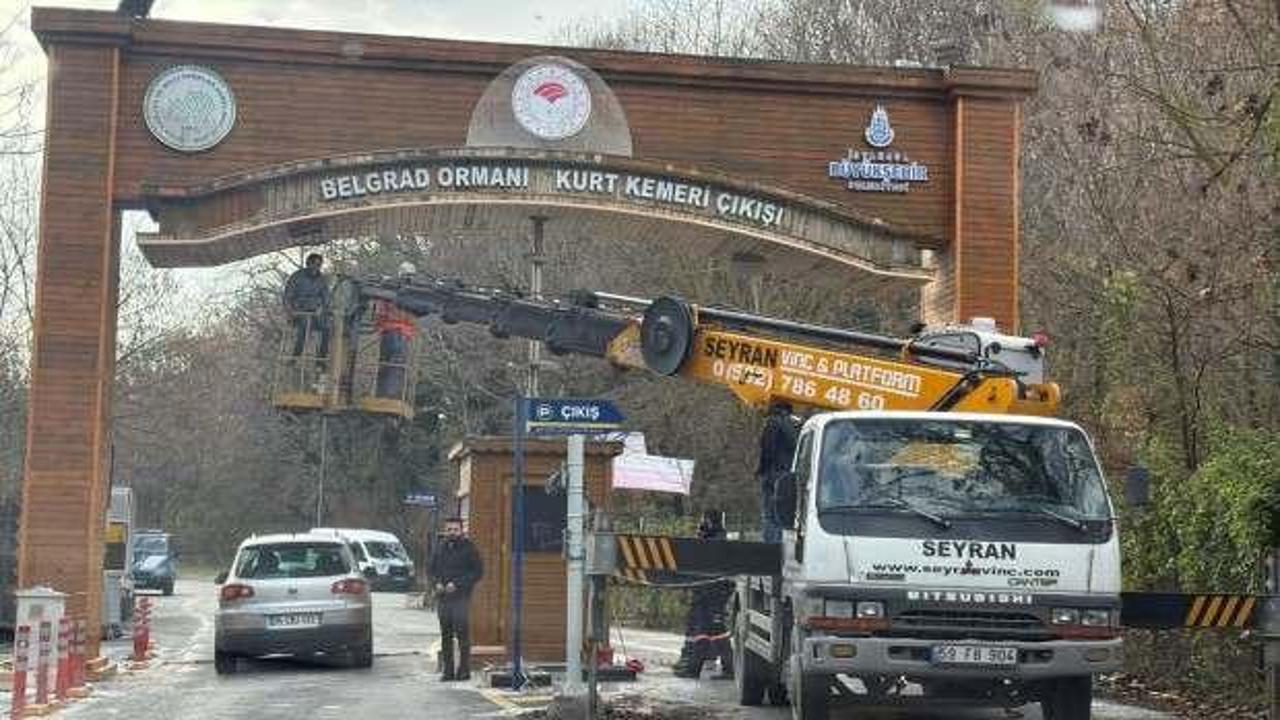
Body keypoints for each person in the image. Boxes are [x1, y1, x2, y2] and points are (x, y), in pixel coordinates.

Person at [673, 510, 735, 680]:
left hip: (713, 594)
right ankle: (696, 668)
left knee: (713, 632)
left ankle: (703, 669)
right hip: (706, 594)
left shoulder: (717, 542)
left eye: (703, 520)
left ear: (709, 521)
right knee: (704, 632)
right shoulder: (710, 539)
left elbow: (705, 565)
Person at [428, 517, 483, 681]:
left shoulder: (469, 548)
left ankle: (464, 670)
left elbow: (477, 572)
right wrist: (436, 583)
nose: (452, 533)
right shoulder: (440, 548)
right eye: (449, 530)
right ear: (445, 531)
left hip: (461, 597)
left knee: (462, 634)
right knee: (445, 635)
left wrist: (458, 584)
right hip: (443, 597)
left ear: (461, 531)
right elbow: (431, 569)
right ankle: (448, 671)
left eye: (455, 530)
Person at [372, 262, 418, 399]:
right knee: (396, 364)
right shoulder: (409, 292)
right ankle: (391, 395)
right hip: (399, 332)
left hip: (388, 331)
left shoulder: (388, 288)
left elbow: (379, 313)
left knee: (385, 364)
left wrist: (380, 326)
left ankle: (381, 394)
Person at [757, 401, 799, 543]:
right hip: (790, 477)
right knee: (782, 516)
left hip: (773, 473)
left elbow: (767, 450)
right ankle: (780, 548)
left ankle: (770, 551)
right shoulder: (797, 426)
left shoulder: (774, 423)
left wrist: (761, 470)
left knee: (769, 515)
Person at [282, 252, 332, 366]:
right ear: (308, 264)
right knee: (304, 326)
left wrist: (322, 308)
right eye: (314, 264)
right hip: (299, 312)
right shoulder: (296, 277)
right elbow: (287, 297)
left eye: (319, 265)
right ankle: (295, 357)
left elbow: (326, 298)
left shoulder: (322, 279)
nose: (316, 267)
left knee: (327, 328)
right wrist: (290, 312)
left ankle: (320, 360)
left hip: (316, 313)